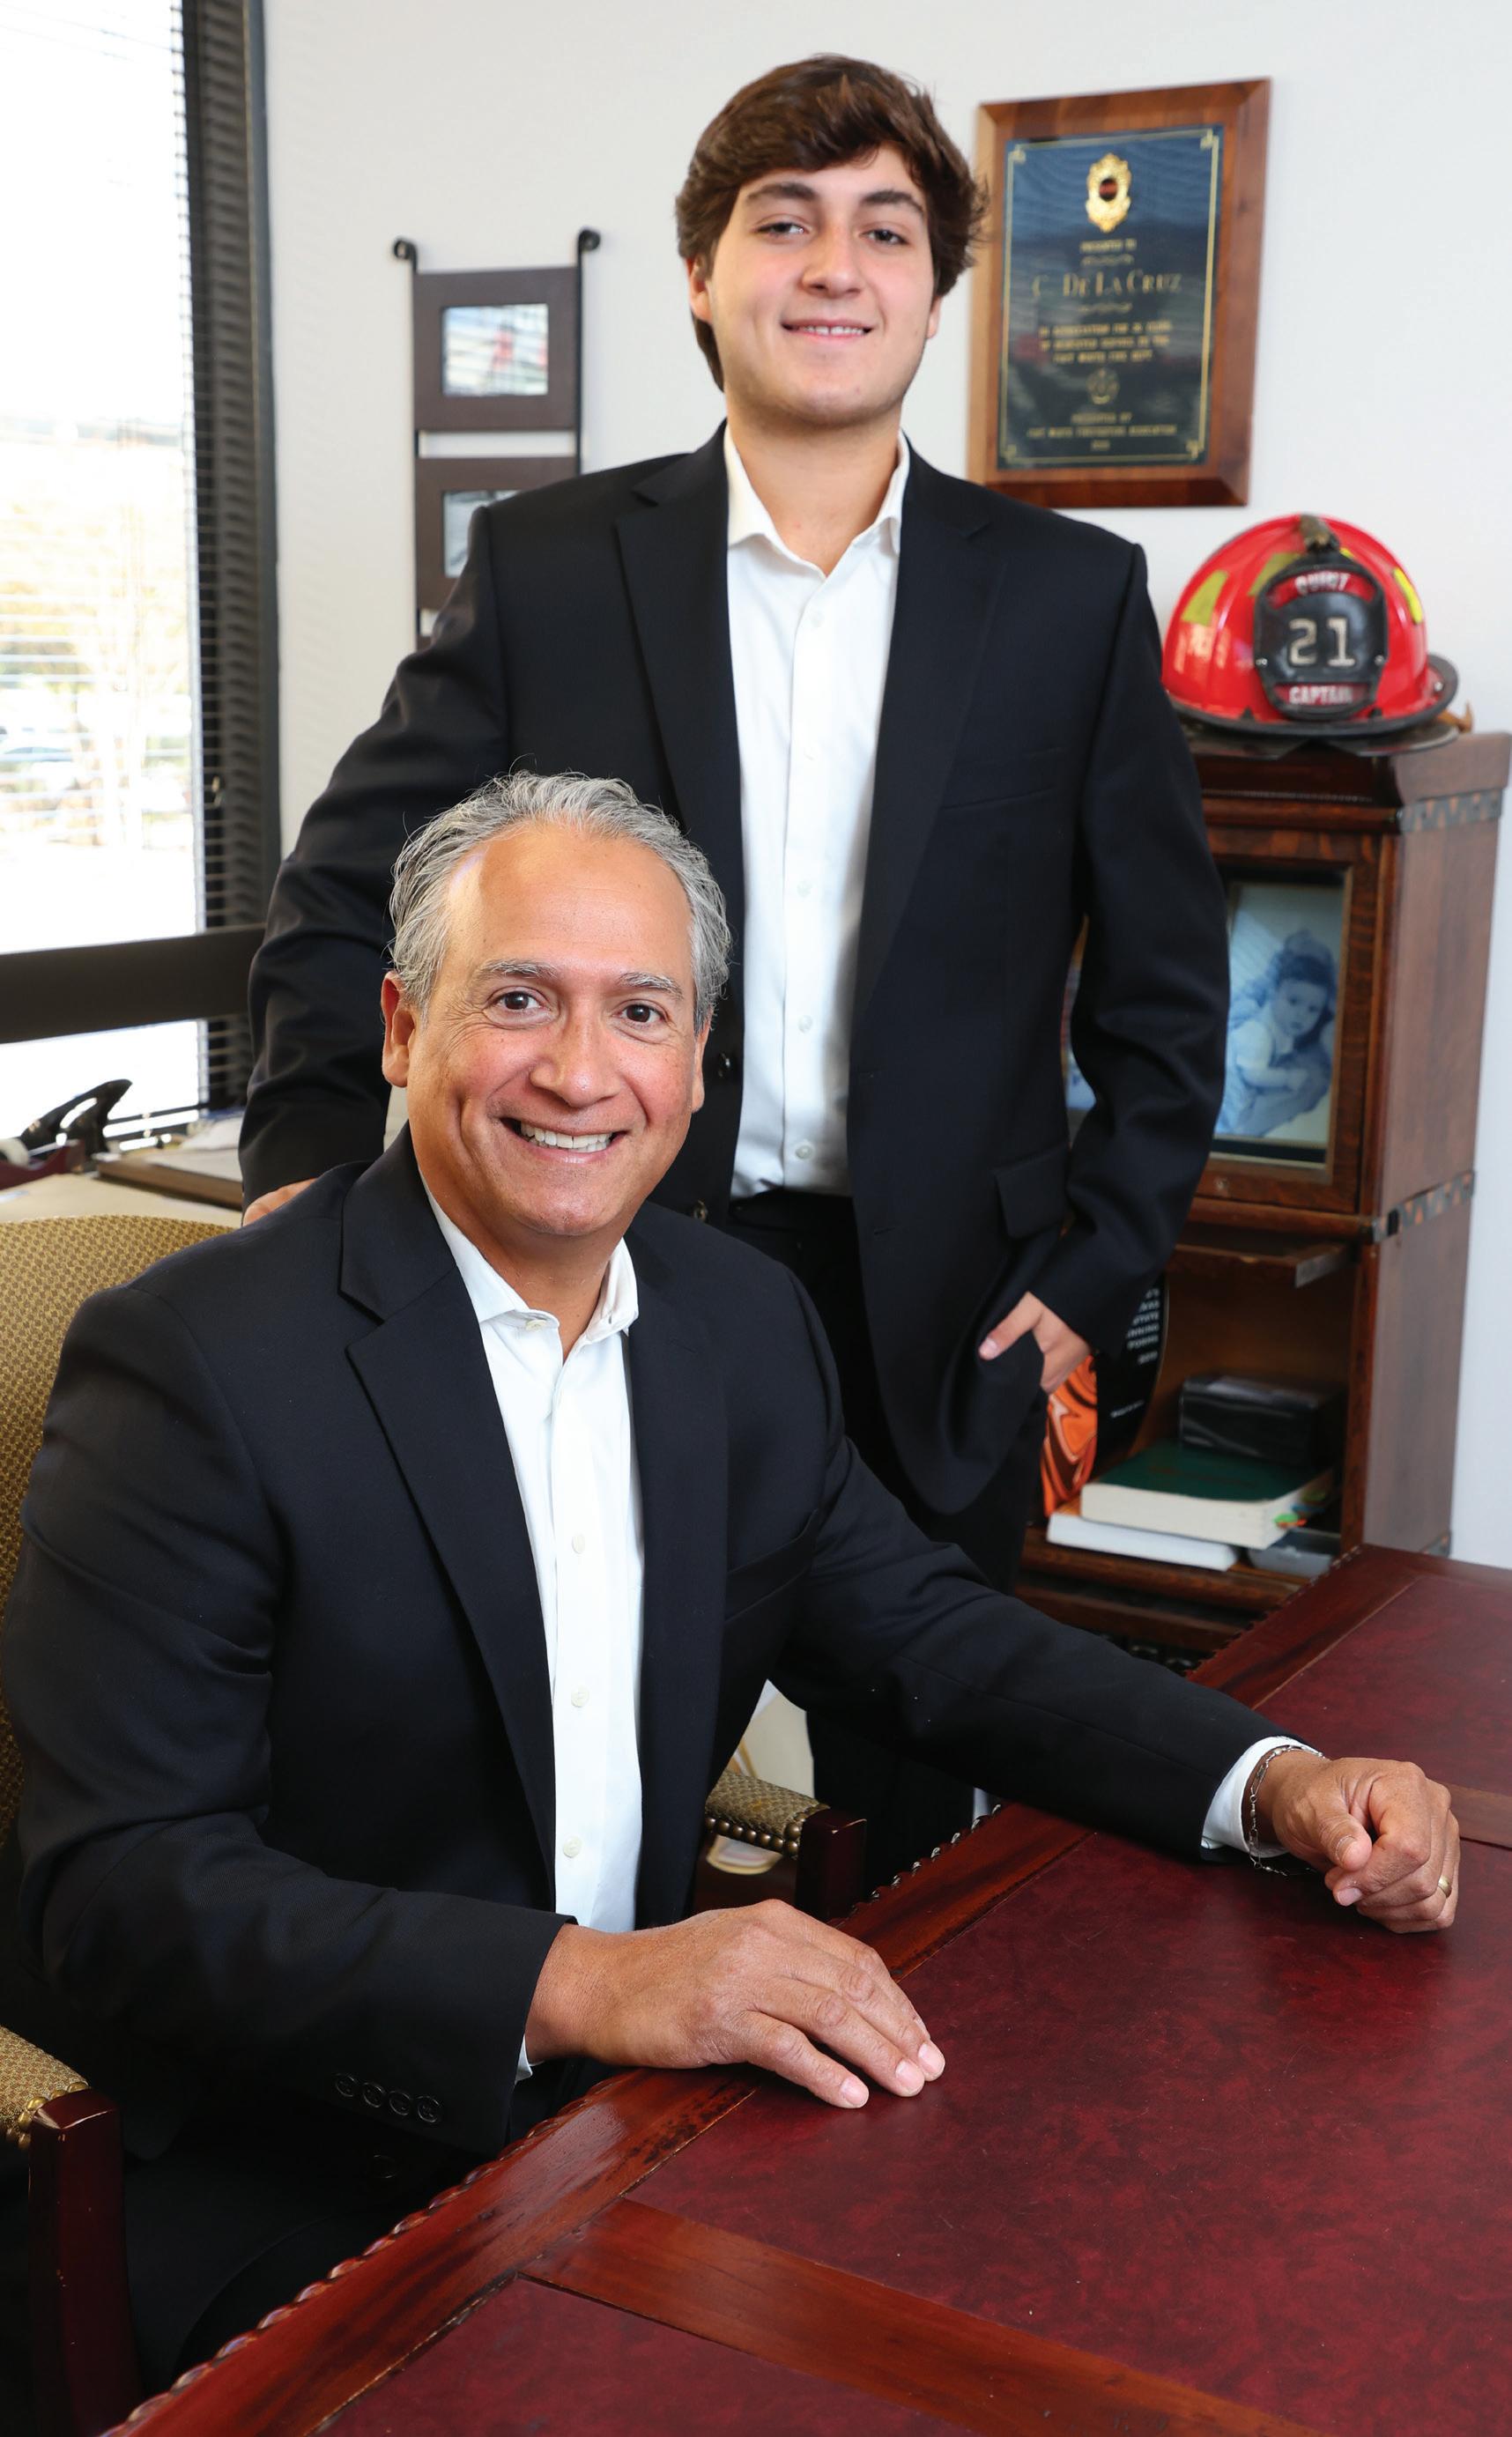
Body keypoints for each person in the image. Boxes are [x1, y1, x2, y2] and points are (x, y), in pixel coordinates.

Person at [1, 779, 1457, 2386]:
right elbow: (123, 1889)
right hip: (290, 2166)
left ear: (697, 1064)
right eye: (517, 999)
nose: (579, 1071)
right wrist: (585, 1979)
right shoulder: (197, 1365)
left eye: (639, 1010)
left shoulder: (739, 1322)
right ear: (404, 1032)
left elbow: (931, 1639)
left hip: (630, 2118)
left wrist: (1273, 1780)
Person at [236, 56, 1234, 1878]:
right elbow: (342, 887)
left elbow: (1168, 993)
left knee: (922, 1809)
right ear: (703, 275)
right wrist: (304, 1177)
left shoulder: (1069, 596)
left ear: (936, 289)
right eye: (785, 223)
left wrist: (1092, 1278)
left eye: (885, 231)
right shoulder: (550, 565)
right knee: (568, 1754)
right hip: (608, 1254)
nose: (834, 266)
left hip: (950, 1311)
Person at [1218, 931, 1338, 1141]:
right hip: (1229, 1097)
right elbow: (1253, 1075)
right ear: (1274, 992)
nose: (1302, 1014)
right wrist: (1286, 1078)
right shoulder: (1258, 1033)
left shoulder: (1285, 1027)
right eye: (1294, 1002)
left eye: (1313, 1010)